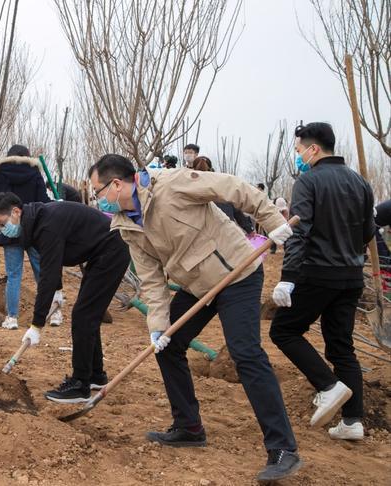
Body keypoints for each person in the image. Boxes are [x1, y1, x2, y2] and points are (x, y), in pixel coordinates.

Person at [89, 154, 301, 483]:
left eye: (97, 191)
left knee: (245, 352)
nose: (97, 199)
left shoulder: (172, 185)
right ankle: (188, 427)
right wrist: (158, 326)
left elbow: (233, 188)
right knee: (168, 347)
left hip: (237, 273)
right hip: (196, 286)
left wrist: (273, 222)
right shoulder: (126, 226)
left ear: (116, 184)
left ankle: (283, 448)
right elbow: (152, 280)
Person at [269, 122, 375, 441]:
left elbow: (299, 231)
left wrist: (288, 278)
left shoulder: (309, 181)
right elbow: (368, 232)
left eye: (299, 150)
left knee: (284, 330)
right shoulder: (360, 183)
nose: (298, 156)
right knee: (342, 346)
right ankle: (352, 421)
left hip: (317, 274)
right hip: (352, 276)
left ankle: (328, 386)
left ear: (313, 149)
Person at [0, 192, 130, 403]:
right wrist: (58, 293)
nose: (1, 230)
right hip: (100, 254)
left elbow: (48, 276)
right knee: (87, 315)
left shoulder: (46, 225)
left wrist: (36, 325)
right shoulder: (36, 223)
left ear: (16, 211)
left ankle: (80, 384)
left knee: (83, 315)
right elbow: (53, 261)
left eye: (1, 223)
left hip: (111, 252)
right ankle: (96, 375)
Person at [0, 145, 57, 329]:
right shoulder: (35, 173)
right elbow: (44, 201)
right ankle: (54, 313)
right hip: (33, 227)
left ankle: (12, 318)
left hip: (8, 229)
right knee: (42, 272)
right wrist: (57, 204)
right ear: (27, 156)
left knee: (13, 275)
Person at [192, 156, 254, 235]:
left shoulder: (190, 190)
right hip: (226, 235)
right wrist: (249, 229)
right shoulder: (222, 188)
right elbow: (237, 212)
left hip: (203, 237)